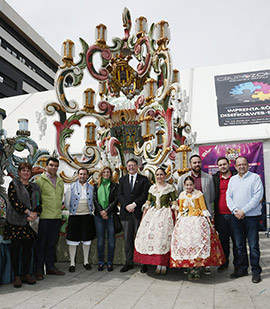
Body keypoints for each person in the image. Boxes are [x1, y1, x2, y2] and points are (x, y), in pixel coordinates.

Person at [171, 176, 225, 280]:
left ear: (194, 185)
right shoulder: (182, 195)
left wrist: (207, 220)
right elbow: (181, 209)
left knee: (198, 242)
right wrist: (179, 219)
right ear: (184, 185)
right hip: (185, 221)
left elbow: (203, 207)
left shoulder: (199, 194)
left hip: (197, 220)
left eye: (191, 184)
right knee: (186, 243)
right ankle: (189, 265)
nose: (189, 187)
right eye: (187, 185)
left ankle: (198, 267)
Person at [226, 156, 264, 283]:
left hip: (251, 217)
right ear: (235, 167)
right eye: (239, 165)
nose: (241, 166)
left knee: (253, 245)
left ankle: (256, 271)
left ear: (248, 165)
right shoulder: (232, 180)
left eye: (244, 164)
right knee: (239, 245)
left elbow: (257, 197)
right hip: (236, 216)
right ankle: (242, 269)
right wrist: (235, 210)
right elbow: (228, 197)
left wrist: (244, 211)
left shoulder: (255, 178)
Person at [4, 162, 42, 288]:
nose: (26, 172)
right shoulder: (13, 184)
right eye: (23, 170)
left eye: (28, 170)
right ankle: (17, 276)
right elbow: (14, 201)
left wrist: (35, 213)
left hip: (30, 223)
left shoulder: (35, 186)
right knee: (16, 250)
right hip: (16, 222)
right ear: (19, 172)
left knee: (27, 250)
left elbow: (39, 202)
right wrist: (28, 212)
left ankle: (26, 274)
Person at [134, 167, 177, 275]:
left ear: (165, 175)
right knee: (153, 238)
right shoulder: (152, 188)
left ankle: (164, 265)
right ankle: (158, 264)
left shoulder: (169, 188)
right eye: (157, 175)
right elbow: (148, 202)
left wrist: (176, 216)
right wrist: (144, 216)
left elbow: (174, 202)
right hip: (153, 214)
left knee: (163, 238)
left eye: (161, 174)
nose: (159, 177)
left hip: (165, 214)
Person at [177, 154, 215, 275]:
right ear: (190, 164)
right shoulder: (182, 178)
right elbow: (180, 195)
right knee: (189, 241)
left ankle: (205, 264)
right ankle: (189, 264)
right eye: (194, 163)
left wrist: (207, 213)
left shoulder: (208, 178)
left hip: (203, 215)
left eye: (198, 162)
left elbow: (212, 196)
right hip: (187, 219)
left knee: (204, 241)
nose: (197, 164)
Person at [35, 157, 65, 280]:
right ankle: (39, 269)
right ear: (46, 166)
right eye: (51, 165)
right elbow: (36, 199)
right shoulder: (39, 181)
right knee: (41, 244)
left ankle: (50, 266)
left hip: (56, 216)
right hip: (44, 217)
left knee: (52, 243)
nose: (53, 168)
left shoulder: (60, 181)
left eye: (56, 166)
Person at [118, 158, 150, 272]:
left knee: (140, 238)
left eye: (133, 165)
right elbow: (119, 195)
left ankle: (143, 263)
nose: (131, 167)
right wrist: (127, 205)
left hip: (138, 213)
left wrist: (134, 204)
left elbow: (145, 194)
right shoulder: (122, 180)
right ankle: (129, 262)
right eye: (129, 165)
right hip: (126, 214)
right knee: (127, 239)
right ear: (127, 167)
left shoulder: (144, 180)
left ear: (137, 167)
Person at [64, 168, 95, 272]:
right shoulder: (71, 187)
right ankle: (72, 263)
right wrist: (73, 211)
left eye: (84, 174)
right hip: (75, 216)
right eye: (81, 174)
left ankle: (86, 261)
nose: (82, 176)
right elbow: (67, 203)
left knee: (87, 240)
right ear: (78, 175)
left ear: (87, 176)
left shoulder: (91, 188)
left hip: (87, 216)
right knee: (73, 240)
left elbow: (93, 203)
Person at [213, 157, 237, 273]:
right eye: (220, 165)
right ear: (218, 167)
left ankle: (239, 265)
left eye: (224, 164)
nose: (223, 166)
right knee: (223, 241)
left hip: (235, 215)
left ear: (229, 164)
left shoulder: (237, 177)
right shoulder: (215, 179)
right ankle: (224, 263)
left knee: (238, 241)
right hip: (221, 216)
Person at [93, 166, 118, 271]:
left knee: (111, 241)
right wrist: (101, 212)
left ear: (111, 174)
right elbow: (94, 200)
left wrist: (106, 211)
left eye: (108, 172)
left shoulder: (114, 186)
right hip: (99, 216)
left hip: (110, 215)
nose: (106, 174)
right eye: (104, 172)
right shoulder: (96, 186)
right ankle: (101, 261)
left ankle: (110, 262)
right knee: (100, 240)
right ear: (101, 174)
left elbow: (116, 200)